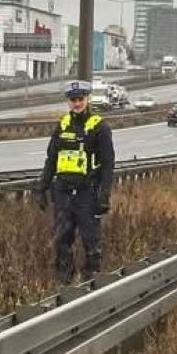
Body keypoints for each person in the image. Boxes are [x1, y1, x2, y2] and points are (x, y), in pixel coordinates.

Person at [36, 80, 116, 284]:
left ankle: (91, 284)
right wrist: (42, 188)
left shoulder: (99, 127)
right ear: (68, 102)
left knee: (91, 242)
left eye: (80, 99)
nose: (77, 103)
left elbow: (108, 165)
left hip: (87, 194)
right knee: (62, 241)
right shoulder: (62, 125)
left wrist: (104, 196)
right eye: (73, 100)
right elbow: (51, 160)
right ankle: (65, 284)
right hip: (62, 193)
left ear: (87, 99)